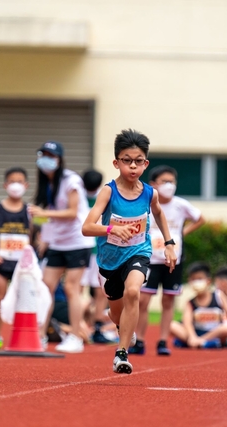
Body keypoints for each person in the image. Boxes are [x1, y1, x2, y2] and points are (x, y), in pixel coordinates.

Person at [82, 128, 177, 374]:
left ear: (145, 163)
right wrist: (111, 229)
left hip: (138, 252)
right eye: (126, 161)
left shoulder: (149, 193)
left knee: (133, 291)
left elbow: (158, 213)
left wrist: (169, 243)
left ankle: (121, 354)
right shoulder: (108, 191)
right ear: (116, 163)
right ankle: (124, 327)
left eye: (138, 162)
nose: (132, 167)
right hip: (109, 261)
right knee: (116, 313)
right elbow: (87, 227)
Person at [28, 141, 96, 353]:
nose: (46, 159)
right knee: (45, 286)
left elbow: (72, 212)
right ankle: (40, 335)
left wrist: (43, 214)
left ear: (59, 159)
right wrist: (46, 240)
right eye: (43, 154)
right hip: (58, 242)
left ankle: (76, 336)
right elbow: (52, 218)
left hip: (78, 241)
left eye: (52, 155)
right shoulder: (46, 183)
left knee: (71, 288)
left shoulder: (71, 180)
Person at [131, 165, 204, 356]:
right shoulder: (146, 202)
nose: (169, 186)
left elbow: (200, 218)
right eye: (165, 182)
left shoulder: (180, 204)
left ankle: (163, 341)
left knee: (168, 300)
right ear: (153, 184)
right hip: (149, 258)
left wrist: (182, 233)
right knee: (143, 300)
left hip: (173, 259)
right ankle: (139, 340)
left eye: (172, 182)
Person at [0, 167, 32, 350]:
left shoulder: (29, 210)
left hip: (22, 263)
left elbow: (32, 234)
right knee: (1, 297)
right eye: (12, 181)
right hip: (2, 260)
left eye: (20, 182)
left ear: (26, 185)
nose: (16, 185)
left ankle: (21, 337)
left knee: (24, 299)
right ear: (5, 185)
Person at [170, 262, 227, 349]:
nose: (196, 282)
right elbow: (187, 323)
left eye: (199, 279)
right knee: (171, 325)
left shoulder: (218, 296)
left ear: (208, 281)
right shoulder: (190, 303)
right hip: (196, 332)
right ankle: (203, 343)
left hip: (216, 332)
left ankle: (199, 342)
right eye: (193, 279)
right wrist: (192, 336)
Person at [81, 169, 117, 344]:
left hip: (80, 249)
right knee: (99, 292)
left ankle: (78, 325)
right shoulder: (103, 198)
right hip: (95, 250)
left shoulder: (78, 197)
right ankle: (94, 328)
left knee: (77, 290)